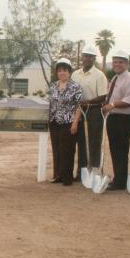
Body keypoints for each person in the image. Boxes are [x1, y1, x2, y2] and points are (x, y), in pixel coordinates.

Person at [101, 50, 130, 191]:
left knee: (121, 150)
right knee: (114, 149)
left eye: (120, 62)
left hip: (123, 119)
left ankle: (120, 181)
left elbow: (129, 102)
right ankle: (118, 178)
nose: (117, 64)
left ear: (127, 64)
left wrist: (112, 105)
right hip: (113, 118)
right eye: (115, 62)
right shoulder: (115, 78)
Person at [71, 45, 108, 179]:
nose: (87, 59)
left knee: (94, 142)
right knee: (81, 142)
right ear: (82, 57)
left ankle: (94, 172)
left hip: (94, 111)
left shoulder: (99, 75)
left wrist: (88, 102)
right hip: (79, 111)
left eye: (90, 56)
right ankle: (81, 172)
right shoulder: (75, 74)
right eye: (85, 56)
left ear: (94, 59)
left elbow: (103, 96)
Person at [48, 58, 82, 186]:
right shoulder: (53, 86)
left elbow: (79, 106)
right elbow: (50, 103)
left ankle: (67, 178)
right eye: (60, 71)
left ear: (69, 72)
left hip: (68, 122)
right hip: (54, 122)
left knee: (67, 150)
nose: (62, 73)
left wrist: (75, 123)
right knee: (56, 150)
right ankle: (58, 175)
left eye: (65, 70)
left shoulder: (75, 87)